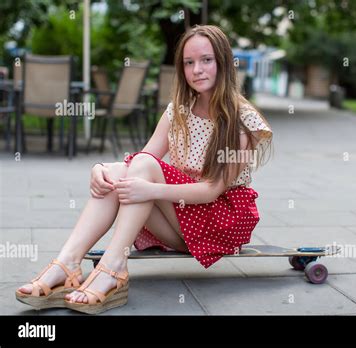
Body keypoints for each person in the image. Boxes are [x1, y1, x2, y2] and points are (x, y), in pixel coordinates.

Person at [15, 24, 273, 314]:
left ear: (223, 62)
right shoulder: (179, 109)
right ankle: (68, 262)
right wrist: (103, 169)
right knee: (121, 173)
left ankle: (112, 268)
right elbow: (143, 159)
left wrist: (149, 188)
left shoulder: (242, 121)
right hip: (183, 219)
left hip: (220, 219)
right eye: (189, 63)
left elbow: (211, 190)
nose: (197, 69)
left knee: (141, 172)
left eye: (206, 60)